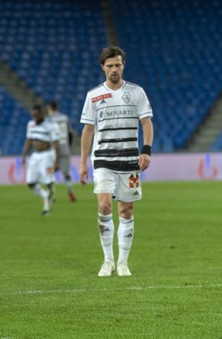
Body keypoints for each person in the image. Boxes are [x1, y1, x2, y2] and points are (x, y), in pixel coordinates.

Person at [79, 46, 154, 277]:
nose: (114, 69)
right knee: (103, 206)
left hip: (130, 160)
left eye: (118, 65)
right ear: (103, 67)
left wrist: (146, 150)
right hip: (103, 159)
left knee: (126, 210)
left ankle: (123, 262)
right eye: (110, 65)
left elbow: (147, 123)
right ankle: (107, 261)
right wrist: (83, 163)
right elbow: (88, 130)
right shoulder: (94, 95)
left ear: (123, 65)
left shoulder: (136, 92)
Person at [22, 104, 60, 216]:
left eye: (37, 115)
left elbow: (57, 144)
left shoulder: (51, 126)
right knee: (30, 182)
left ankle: (47, 207)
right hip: (35, 155)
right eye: (33, 115)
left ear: (42, 114)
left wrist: (57, 161)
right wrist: (24, 155)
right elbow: (29, 140)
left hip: (47, 155)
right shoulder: (31, 124)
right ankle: (45, 195)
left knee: (48, 181)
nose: (35, 118)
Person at [47, 100, 77, 202]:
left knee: (50, 172)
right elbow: (71, 133)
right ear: (57, 107)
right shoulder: (65, 118)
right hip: (65, 148)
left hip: (53, 149)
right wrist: (69, 146)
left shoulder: (48, 119)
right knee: (66, 173)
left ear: (50, 108)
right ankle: (70, 193)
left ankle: (51, 195)